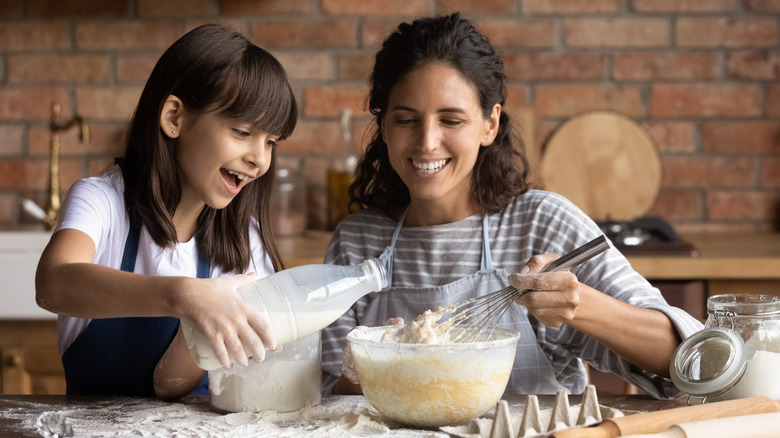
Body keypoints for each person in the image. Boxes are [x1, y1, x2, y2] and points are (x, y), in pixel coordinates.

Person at [321, 13, 703, 399]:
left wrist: (582, 305)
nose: (427, 142)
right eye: (406, 120)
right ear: (384, 125)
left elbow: (694, 360)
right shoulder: (357, 242)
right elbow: (321, 402)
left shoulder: (540, 225)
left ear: (490, 124)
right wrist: (365, 368)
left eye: (451, 121)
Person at [35, 24, 297, 399]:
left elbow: (169, 385)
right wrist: (184, 297)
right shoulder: (102, 202)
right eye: (242, 132)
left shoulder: (243, 240)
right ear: (174, 118)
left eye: (271, 142)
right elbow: (53, 284)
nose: (259, 159)